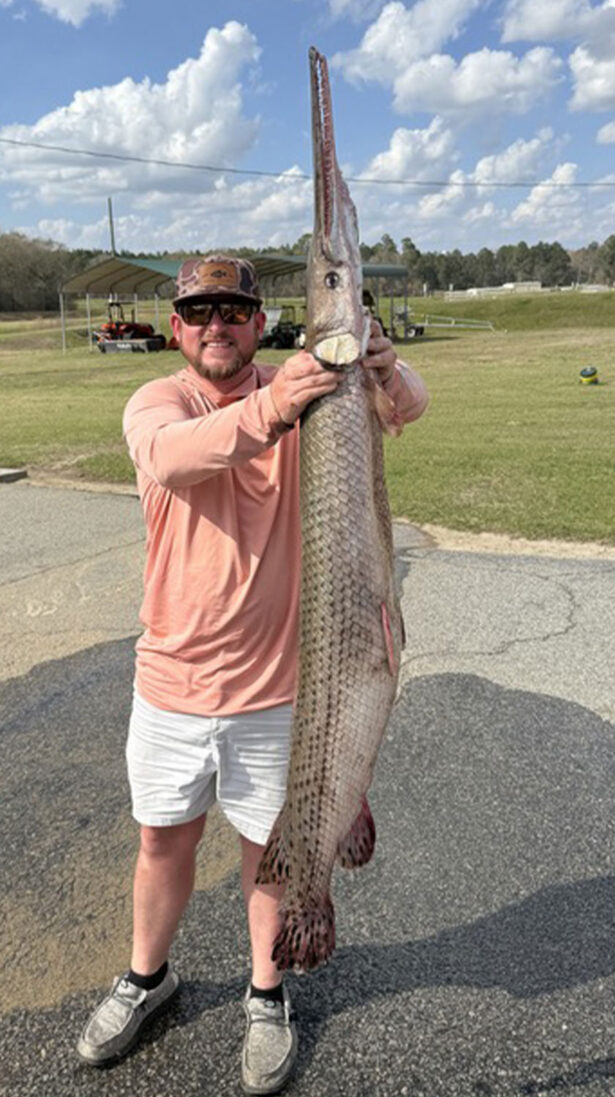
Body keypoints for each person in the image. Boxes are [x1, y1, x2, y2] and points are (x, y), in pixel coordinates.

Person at [76, 256, 429, 1093]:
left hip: (281, 691)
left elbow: (406, 406)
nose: (216, 325)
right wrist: (278, 404)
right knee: (163, 840)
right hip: (171, 682)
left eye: (233, 310)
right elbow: (174, 459)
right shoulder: (159, 402)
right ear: (176, 327)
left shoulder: (309, 383)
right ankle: (146, 976)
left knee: (273, 845)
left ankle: (265, 992)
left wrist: (383, 363)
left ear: (259, 319)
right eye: (198, 312)